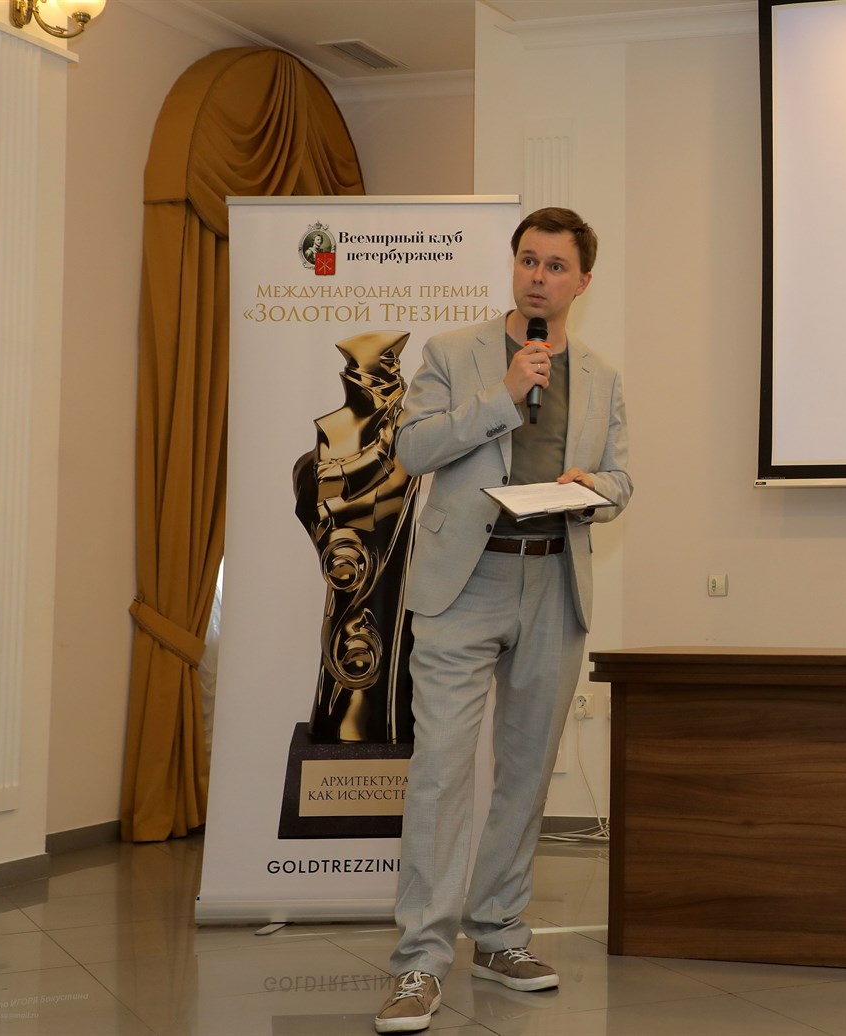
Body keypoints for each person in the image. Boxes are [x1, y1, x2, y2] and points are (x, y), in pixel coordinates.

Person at [374, 207, 632, 1034]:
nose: (538, 277)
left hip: (554, 578)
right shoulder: (455, 354)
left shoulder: (601, 375)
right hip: (465, 583)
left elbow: (622, 478)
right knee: (441, 771)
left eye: (555, 266)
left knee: (526, 773)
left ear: (582, 282)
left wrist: (596, 489)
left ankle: (499, 935)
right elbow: (412, 451)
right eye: (528, 260)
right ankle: (420, 961)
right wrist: (505, 396)